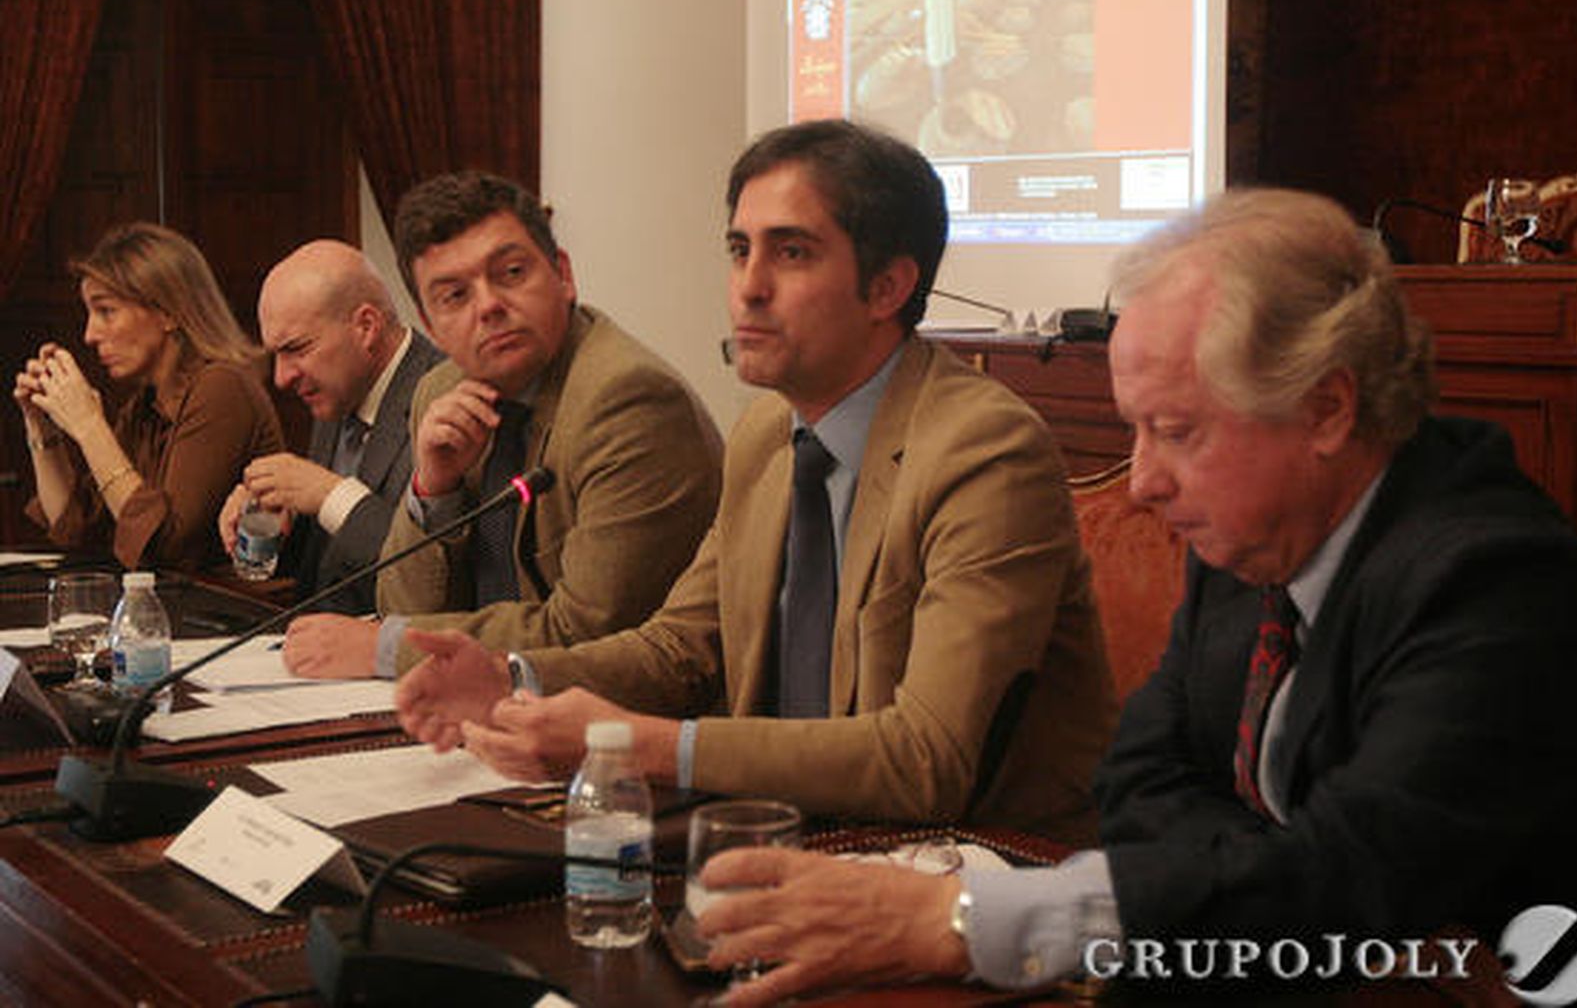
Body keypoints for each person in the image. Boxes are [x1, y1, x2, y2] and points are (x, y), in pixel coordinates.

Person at [688, 188, 1577, 1006]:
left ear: (1326, 409)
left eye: (1176, 431)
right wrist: (1247, 877)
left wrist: (968, 918)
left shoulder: (1496, 584)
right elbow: (1137, 780)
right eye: (1137, 433)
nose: (1143, 485)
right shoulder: (1251, 536)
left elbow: (1355, 882)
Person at [394, 120, 1116, 840]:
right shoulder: (767, 433)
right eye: (740, 250)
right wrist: (513, 679)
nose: (749, 288)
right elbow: (679, 647)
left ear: (888, 285)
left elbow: (925, 758)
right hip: (788, 835)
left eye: (792, 253)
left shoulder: (985, 449)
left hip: (976, 865)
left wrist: (646, 747)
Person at [283, 171, 723, 678]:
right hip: (490, 705)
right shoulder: (440, 392)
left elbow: (586, 633)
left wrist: (388, 649)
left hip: (613, 719)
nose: (489, 305)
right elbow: (404, 606)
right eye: (454, 296)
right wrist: (432, 490)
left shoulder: (628, 401)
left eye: (511, 273)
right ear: (430, 326)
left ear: (563, 275)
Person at [15, 222, 283, 571]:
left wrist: (88, 426)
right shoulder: (145, 405)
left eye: (106, 311)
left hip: (239, 613)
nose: (89, 335)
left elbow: (165, 546)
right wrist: (41, 425)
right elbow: (77, 531)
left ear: (169, 312)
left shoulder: (223, 387)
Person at [217, 240, 442, 615]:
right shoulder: (339, 393)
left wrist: (329, 495)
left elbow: (435, 572)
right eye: (276, 355)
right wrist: (273, 521)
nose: (281, 378)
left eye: (297, 349)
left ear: (366, 326)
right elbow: (331, 570)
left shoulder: (442, 395)